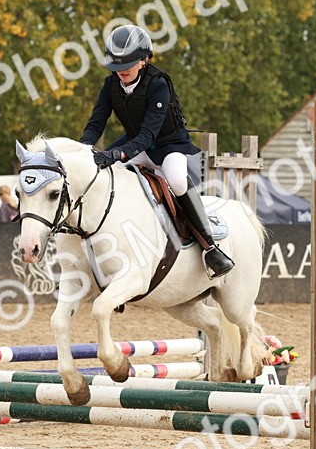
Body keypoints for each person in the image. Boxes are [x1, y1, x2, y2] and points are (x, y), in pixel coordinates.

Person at [80, 24, 233, 278]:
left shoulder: (158, 84)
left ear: (144, 59)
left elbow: (149, 134)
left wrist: (117, 155)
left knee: (176, 181)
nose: (122, 72)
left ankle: (210, 248)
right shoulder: (110, 85)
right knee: (101, 172)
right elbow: (97, 121)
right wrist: (84, 148)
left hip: (168, 144)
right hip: (134, 142)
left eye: (127, 64)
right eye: (116, 67)